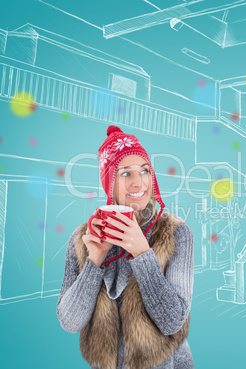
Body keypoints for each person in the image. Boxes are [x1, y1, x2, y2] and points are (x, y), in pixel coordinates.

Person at [57, 125, 194, 369]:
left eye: (144, 171)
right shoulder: (82, 238)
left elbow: (172, 321)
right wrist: (95, 260)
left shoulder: (175, 233)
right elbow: (70, 322)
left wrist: (143, 254)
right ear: (109, 182)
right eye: (125, 174)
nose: (138, 183)